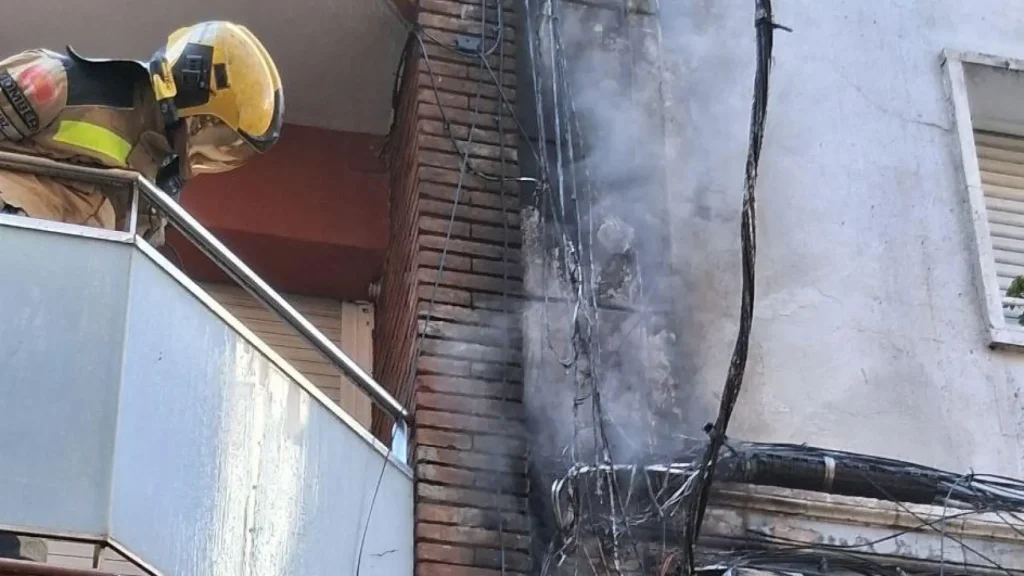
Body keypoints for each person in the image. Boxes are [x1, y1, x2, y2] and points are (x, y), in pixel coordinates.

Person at [0, 21, 283, 563]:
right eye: (213, 132)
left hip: (44, 343)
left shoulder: (152, 190)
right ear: (192, 86)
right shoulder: (63, 83)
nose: (209, 151)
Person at [0, 20, 284, 246]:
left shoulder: (159, 187)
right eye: (219, 136)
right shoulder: (63, 85)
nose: (216, 152)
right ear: (192, 86)